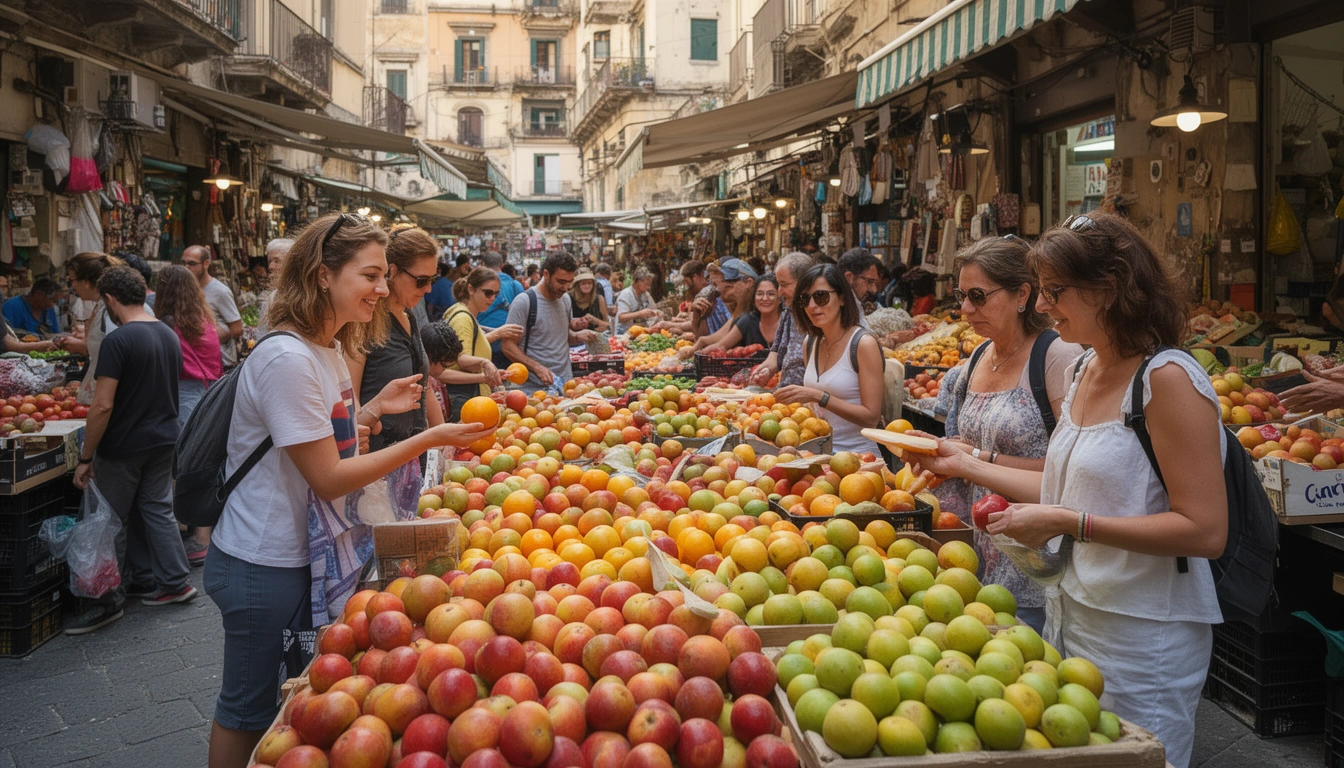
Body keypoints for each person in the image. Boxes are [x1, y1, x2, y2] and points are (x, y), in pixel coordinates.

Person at [906, 213, 1226, 768]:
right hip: (1070, 616)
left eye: (1056, 291)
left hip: (1143, 634)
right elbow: (1052, 487)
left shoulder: (1167, 378)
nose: (1045, 305)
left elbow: (1204, 530)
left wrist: (1068, 523)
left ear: (1111, 287)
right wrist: (968, 462)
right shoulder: (1086, 372)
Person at [204, 213, 494, 768]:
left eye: (386, 275)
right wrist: (430, 438)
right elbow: (329, 476)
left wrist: (372, 408)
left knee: (281, 706)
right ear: (321, 276)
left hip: (299, 554)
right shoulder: (287, 357)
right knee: (247, 708)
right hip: (260, 559)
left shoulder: (327, 348)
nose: (384, 289)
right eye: (370, 275)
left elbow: (324, 440)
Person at [928, 236, 1083, 633]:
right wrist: (946, 454)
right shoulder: (979, 357)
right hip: (983, 564)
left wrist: (974, 460)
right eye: (961, 295)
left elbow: (1069, 475)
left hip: (1040, 567)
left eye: (978, 296)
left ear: (1022, 295)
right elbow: (972, 447)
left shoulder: (1057, 357)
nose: (965, 309)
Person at [67, 266, 196, 635]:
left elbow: (102, 405)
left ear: (109, 300)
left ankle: (107, 599)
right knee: (158, 510)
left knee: (110, 520)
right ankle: (175, 582)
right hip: (163, 438)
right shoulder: (167, 334)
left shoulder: (119, 341)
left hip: (124, 444)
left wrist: (86, 457)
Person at [346, 226, 447, 455]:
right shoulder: (364, 322)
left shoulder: (408, 315)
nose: (429, 289)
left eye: (432, 279)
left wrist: (442, 438)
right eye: (421, 281)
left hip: (412, 455)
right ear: (392, 272)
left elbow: (423, 383)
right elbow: (350, 405)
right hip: (379, 459)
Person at [152, 264, 223, 566]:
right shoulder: (205, 321)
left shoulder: (168, 325)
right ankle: (193, 528)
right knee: (201, 461)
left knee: (184, 464)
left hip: (181, 394)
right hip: (207, 392)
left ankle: (198, 534)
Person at [776, 263, 884, 456]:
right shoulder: (810, 343)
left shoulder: (863, 344)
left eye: (821, 297)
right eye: (804, 299)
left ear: (842, 297)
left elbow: (871, 417)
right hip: (817, 454)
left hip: (859, 459)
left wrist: (819, 396)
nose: (812, 306)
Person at [502, 251, 596, 391]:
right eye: (561, 282)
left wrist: (578, 336)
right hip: (534, 389)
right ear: (546, 274)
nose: (565, 288)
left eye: (569, 282)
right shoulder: (524, 302)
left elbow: (562, 336)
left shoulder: (565, 299)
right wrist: (537, 368)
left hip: (565, 384)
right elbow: (508, 346)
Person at [442, 267, 512, 420]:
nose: (492, 299)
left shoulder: (464, 313)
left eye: (496, 294)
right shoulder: (463, 318)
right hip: (465, 397)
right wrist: (484, 363)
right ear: (471, 289)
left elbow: (471, 345)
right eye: (488, 293)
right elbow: (462, 358)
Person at [59, 253, 123, 405]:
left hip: (109, 398)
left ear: (86, 281)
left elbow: (116, 352)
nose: (72, 286)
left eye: (72, 280)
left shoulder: (109, 310)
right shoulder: (101, 307)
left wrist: (83, 347)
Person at [750, 251, 813, 387]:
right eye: (778, 284)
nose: (779, 291)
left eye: (784, 284)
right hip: (787, 394)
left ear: (804, 282)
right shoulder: (788, 309)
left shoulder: (817, 313)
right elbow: (777, 351)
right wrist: (766, 371)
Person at [183, 245, 244, 369]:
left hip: (219, 364)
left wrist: (209, 337)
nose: (186, 267)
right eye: (183, 263)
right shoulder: (184, 290)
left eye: (192, 264)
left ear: (206, 264)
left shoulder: (220, 292)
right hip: (195, 363)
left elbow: (237, 328)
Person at [699, 274, 782, 354]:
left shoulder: (787, 322)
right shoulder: (747, 321)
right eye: (760, 294)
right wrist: (702, 353)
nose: (764, 298)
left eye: (771, 294)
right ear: (754, 298)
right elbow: (721, 346)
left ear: (780, 299)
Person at [478, 250, 525, 367]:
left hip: (482, 345)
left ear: (483, 264)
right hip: (511, 347)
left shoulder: (476, 288)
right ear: (502, 265)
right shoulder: (516, 286)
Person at [419, 320, 465, 418]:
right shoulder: (421, 384)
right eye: (444, 366)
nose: (444, 370)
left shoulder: (433, 378)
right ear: (429, 357)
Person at [258, 238, 294, 325]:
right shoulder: (273, 296)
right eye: (270, 261)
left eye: (276, 261)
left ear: (291, 262)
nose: (271, 266)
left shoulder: (303, 293)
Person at [615, 268, 661, 335]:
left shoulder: (646, 294)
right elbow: (621, 317)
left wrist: (656, 312)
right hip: (625, 332)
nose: (648, 287)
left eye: (649, 285)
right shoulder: (626, 294)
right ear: (637, 281)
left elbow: (654, 308)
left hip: (642, 332)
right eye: (646, 284)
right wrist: (639, 314)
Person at [570, 267, 610, 333]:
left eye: (589, 283)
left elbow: (608, 325)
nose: (587, 286)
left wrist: (595, 320)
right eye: (583, 283)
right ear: (577, 285)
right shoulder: (569, 298)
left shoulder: (599, 299)